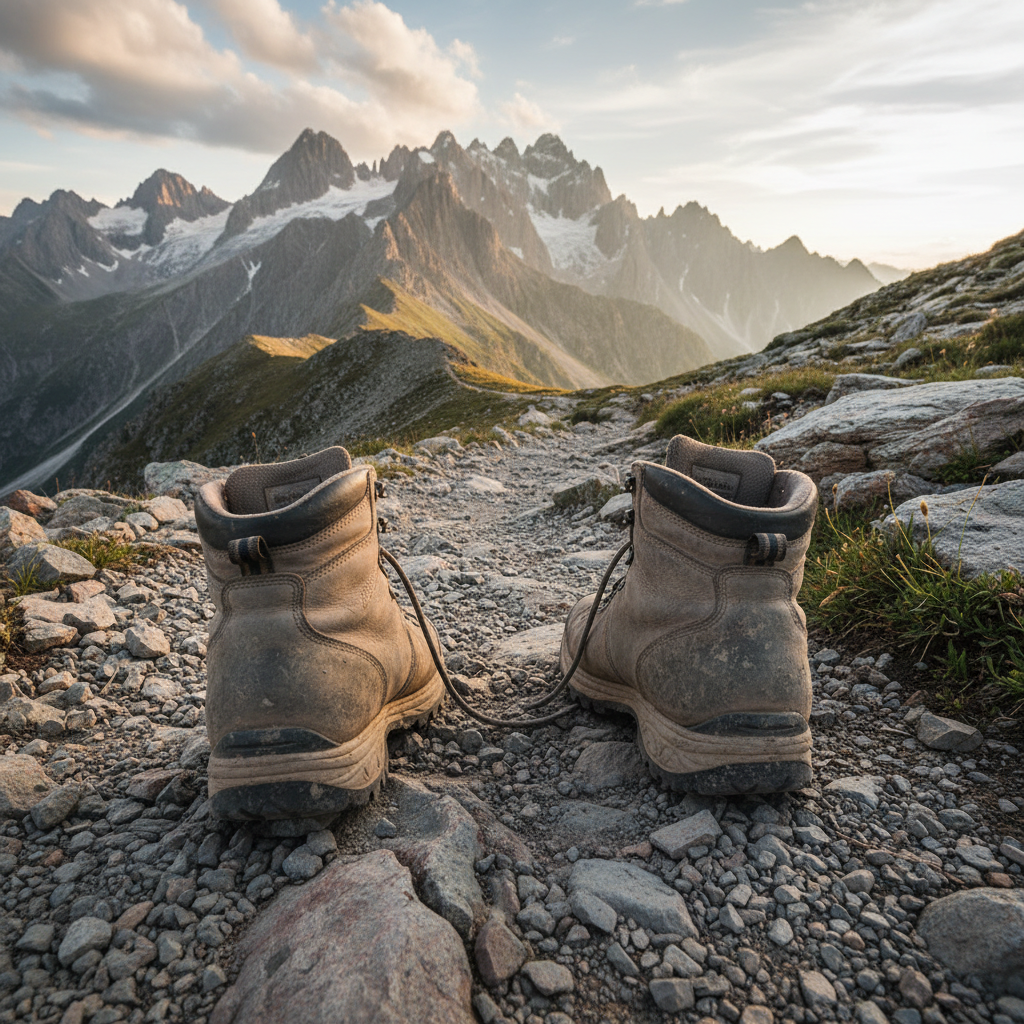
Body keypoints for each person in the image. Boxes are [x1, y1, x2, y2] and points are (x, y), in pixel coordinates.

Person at [194, 436, 817, 821]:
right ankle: (752, 684)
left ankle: (270, 693)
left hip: (244, 682)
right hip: (772, 667)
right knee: (600, 634)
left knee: (353, 645)